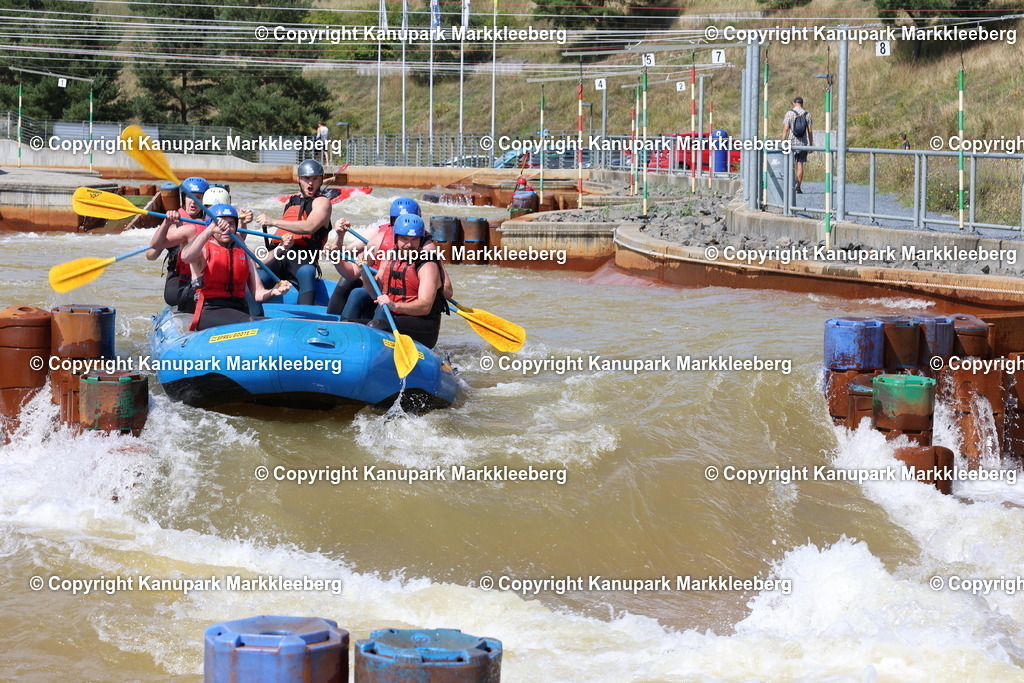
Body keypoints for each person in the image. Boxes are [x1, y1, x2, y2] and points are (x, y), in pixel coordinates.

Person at [325, 197, 453, 319]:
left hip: (407, 303)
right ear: (391, 221)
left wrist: (426, 284)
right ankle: (338, 326)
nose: (404, 226)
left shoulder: (427, 249)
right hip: (379, 292)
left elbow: (447, 292)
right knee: (353, 289)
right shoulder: (378, 238)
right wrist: (338, 243)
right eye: (397, 220)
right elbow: (351, 271)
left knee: (363, 296)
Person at [180, 204, 291, 331]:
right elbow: (186, 257)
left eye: (231, 224)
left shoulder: (244, 251)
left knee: (267, 323)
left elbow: (258, 294)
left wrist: (273, 291)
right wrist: (210, 228)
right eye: (221, 224)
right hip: (210, 311)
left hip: (239, 310)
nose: (226, 228)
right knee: (256, 323)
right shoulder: (203, 250)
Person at [256, 159, 332, 306]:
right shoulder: (291, 202)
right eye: (306, 179)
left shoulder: (322, 202)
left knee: (307, 272)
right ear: (299, 179)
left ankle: (304, 316)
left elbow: (310, 227)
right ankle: (252, 316)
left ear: (321, 180)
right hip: (280, 253)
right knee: (257, 275)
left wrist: (272, 221)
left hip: (303, 257)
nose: (310, 183)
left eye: (315, 179)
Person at [366, 214, 446, 349]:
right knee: (350, 323)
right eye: (404, 238)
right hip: (396, 317)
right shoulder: (389, 257)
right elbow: (375, 294)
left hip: (423, 324)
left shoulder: (427, 265)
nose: (409, 244)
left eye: (414, 239)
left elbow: (425, 307)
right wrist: (364, 271)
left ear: (421, 240)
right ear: (396, 238)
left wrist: (394, 305)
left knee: (376, 326)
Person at [147, 176, 209, 311]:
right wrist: (166, 224)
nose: (193, 202)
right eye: (190, 197)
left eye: (199, 198)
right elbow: (150, 255)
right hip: (178, 278)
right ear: (183, 198)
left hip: (202, 276)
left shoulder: (209, 222)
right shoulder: (174, 224)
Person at [781, 96, 813, 194]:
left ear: (794, 103)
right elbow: (810, 131)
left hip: (791, 143)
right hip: (803, 144)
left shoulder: (789, 113)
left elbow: (786, 129)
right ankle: (798, 187)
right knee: (800, 164)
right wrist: (811, 144)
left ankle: (789, 185)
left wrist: (783, 141)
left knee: (790, 164)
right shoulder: (807, 114)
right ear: (802, 104)